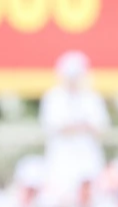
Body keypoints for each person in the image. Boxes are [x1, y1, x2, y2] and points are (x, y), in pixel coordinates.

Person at [40, 50, 109, 194]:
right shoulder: (54, 97)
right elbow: (52, 126)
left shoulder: (92, 97)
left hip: (87, 157)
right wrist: (82, 126)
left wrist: (74, 127)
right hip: (61, 159)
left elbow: (100, 127)